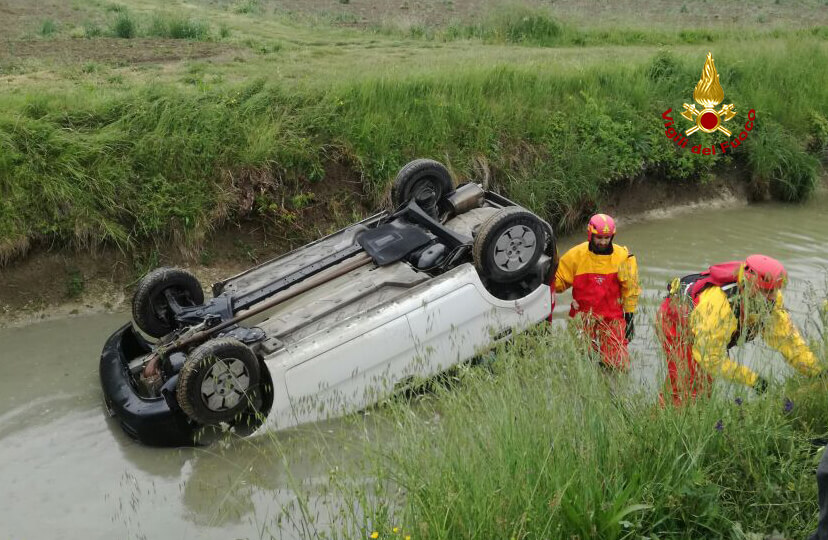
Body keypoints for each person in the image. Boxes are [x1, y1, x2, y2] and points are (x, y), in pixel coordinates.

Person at [657, 254, 821, 405]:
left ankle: (681, 415)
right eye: (766, 291)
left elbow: (787, 340)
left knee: (699, 386)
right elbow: (710, 358)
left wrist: (817, 372)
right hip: (677, 323)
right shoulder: (719, 305)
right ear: (749, 285)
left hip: (705, 327)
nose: (772, 297)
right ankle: (665, 424)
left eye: (775, 290)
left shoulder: (770, 300)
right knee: (688, 385)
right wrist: (751, 379)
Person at [553, 213, 640, 370]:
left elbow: (631, 289)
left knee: (618, 367)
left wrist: (630, 316)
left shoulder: (622, 256)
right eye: (599, 237)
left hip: (612, 319)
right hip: (582, 318)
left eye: (607, 238)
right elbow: (558, 283)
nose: (603, 242)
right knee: (580, 364)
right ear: (590, 234)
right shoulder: (575, 255)